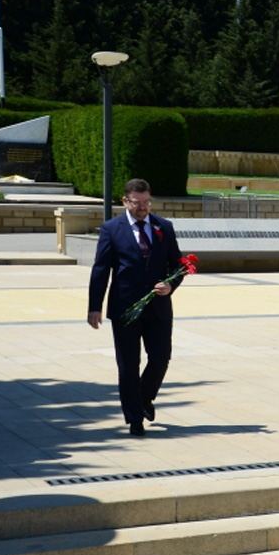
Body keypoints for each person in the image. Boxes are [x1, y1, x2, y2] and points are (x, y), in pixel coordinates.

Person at [87, 178, 185, 437]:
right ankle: (134, 419)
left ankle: (143, 398)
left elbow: (179, 265)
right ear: (125, 201)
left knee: (161, 357)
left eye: (146, 202)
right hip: (125, 307)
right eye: (137, 203)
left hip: (159, 307)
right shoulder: (111, 229)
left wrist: (170, 284)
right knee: (128, 364)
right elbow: (101, 269)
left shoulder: (164, 227)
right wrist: (94, 306)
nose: (143, 207)